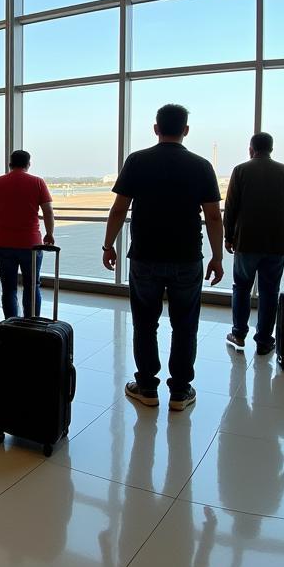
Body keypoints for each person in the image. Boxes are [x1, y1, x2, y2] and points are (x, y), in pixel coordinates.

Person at [102, 104, 224, 411]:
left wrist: (108, 245)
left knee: (145, 324)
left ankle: (146, 388)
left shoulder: (138, 161)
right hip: (187, 258)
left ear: (156, 129)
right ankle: (180, 392)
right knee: (185, 326)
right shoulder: (202, 166)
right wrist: (217, 256)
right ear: (185, 130)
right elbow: (213, 217)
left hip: (144, 256)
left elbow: (119, 208)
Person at [222, 133, 284, 355]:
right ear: (271, 149)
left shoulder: (241, 170)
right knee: (270, 291)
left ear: (251, 149)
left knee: (241, 287)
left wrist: (228, 236)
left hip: (247, 241)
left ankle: (239, 333)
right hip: (276, 242)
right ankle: (264, 340)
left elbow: (231, 207)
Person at [0, 150, 55, 318]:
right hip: (31, 245)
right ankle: (31, 323)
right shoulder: (38, 182)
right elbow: (48, 211)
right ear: (28, 164)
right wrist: (49, 233)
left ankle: (11, 324)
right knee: (32, 286)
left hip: (3, 244)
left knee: (8, 288)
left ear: (10, 164)